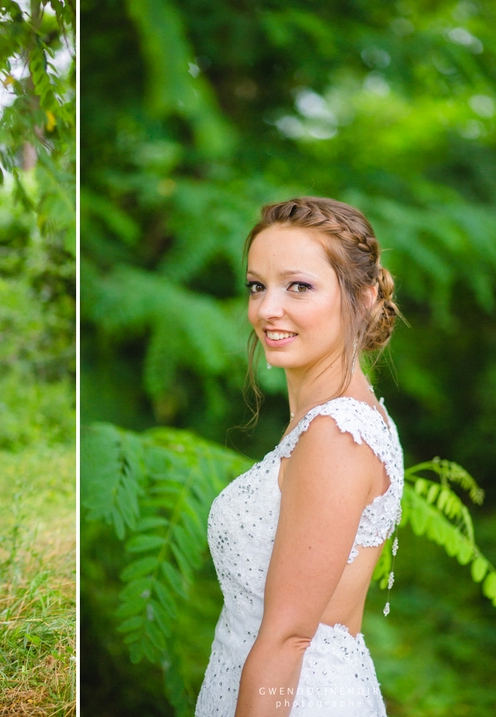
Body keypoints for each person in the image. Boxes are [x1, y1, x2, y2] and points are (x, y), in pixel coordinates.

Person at [195, 197, 402, 717]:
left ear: (364, 296)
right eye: (257, 285)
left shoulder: (336, 435)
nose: (267, 309)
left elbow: (289, 640)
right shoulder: (336, 420)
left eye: (299, 286)